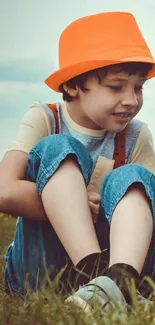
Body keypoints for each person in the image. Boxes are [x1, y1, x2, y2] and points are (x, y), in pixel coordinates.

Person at [1, 11, 155, 309]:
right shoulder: (45, 118)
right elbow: (4, 190)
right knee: (58, 148)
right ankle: (98, 276)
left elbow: (149, 206)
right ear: (72, 86)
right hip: (41, 269)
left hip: (119, 256)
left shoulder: (137, 135)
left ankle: (120, 281)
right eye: (116, 86)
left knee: (135, 179)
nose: (132, 100)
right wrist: (74, 205)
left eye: (138, 87)